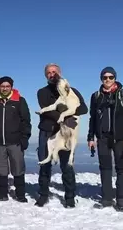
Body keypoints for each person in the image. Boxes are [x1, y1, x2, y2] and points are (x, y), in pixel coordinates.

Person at [36, 63, 88, 208]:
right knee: (45, 164)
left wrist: (70, 114)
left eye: (54, 72)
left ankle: (70, 197)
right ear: (46, 75)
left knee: (67, 165)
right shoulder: (42, 92)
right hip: (48, 132)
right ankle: (43, 195)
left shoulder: (72, 91)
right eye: (49, 73)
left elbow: (83, 108)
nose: (52, 74)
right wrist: (66, 116)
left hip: (66, 133)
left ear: (60, 73)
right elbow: (48, 111)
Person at [87, 67, 123, 212]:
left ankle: (120, 199)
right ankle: (107, 198)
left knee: (121, 168)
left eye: (110, 77)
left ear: (115, 78)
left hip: (120, 138)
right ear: (101, 79)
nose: (107, 80)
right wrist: (91, 137)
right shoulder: (96, 96)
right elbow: (93, 118)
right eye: (105, 77)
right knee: (105, 168)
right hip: (103, 138)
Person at [0, 76, 31, 202]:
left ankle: (20, 194)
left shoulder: (19, 101)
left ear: (11, 87)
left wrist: (24, 138)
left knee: (18, 168)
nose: (5, 88)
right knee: (0, 169)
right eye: (2, 86)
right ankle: (2, 193)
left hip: (15, 142)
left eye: (7, 86)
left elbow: (26, 121)